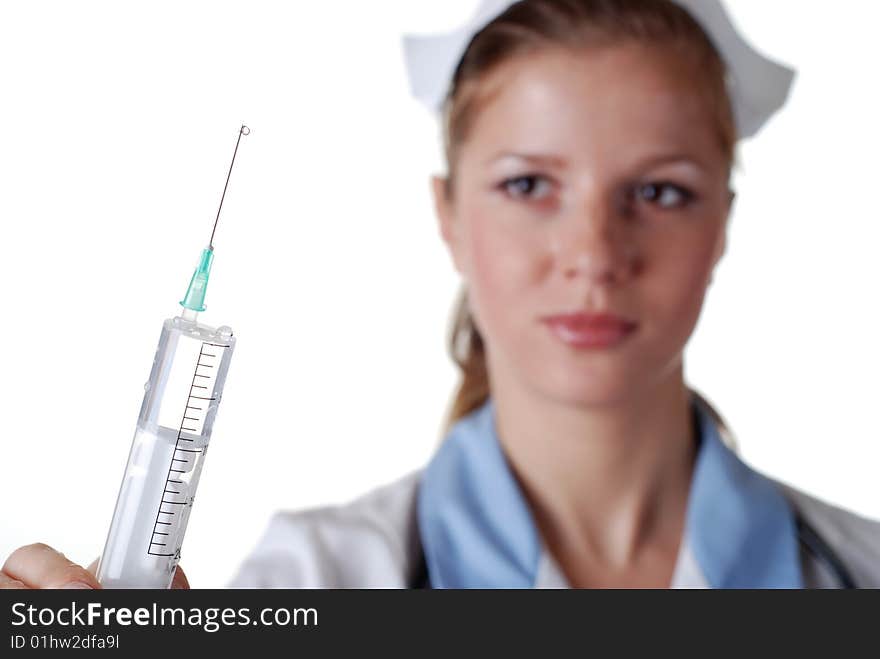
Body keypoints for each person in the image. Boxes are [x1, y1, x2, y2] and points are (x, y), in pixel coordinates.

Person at [4, 0, 879, 590]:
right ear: (447, 213)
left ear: (723, 220)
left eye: (658, 192)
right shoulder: (319, 578)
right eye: (530, 185)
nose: (593, 255)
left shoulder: (858, 572)